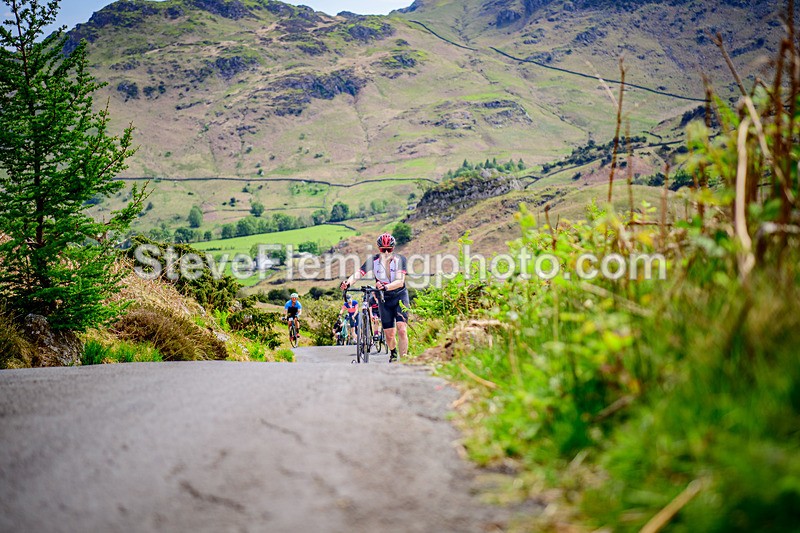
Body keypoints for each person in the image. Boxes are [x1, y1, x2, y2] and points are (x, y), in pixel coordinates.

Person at [340, 232, 408, 362]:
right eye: (383, 249)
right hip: (383, 298)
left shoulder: (400, 260)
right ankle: (393, 352)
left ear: (393, 249)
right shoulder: (374, 261)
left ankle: (405, 360)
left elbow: (400, 281)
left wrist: (386, 287)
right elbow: (359, 274)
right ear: (379, 249)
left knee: (402, 330)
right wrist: (348, 283)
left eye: (389, 249)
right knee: (389, 335)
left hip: (399, 296)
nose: (386, 252)